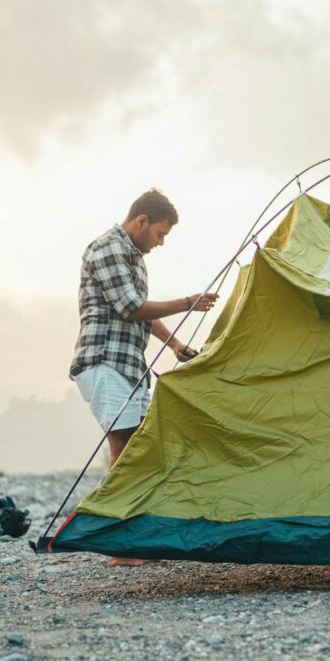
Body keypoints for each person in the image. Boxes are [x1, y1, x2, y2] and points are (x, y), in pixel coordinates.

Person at [70, 189, 218, 472]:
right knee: (125, 449)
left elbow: (141, 315)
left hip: (130, 368)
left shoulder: (135, 258)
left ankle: (118, 512)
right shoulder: (108, 248)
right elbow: (131, 307)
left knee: (139, 447)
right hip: (105, 362)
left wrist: (174, 343)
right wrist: (188, 303)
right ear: (141, 221)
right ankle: (109, 514)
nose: (161, 243)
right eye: (160, 234)